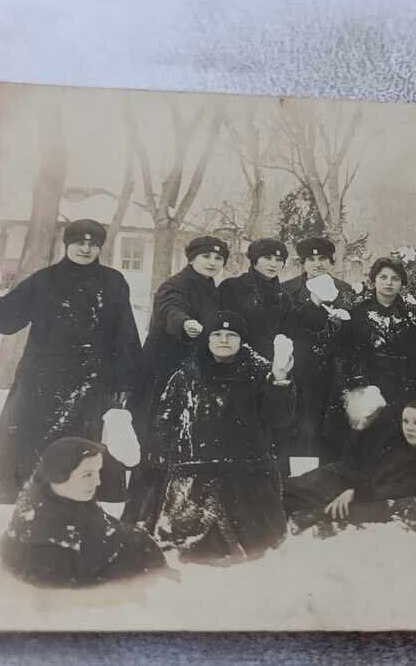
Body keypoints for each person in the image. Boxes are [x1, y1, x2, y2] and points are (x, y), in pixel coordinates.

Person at [0, 218, 139, 504]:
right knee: (35, 440)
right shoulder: (44, 280)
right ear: (67, 244)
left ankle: (83, 496)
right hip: (44, 378)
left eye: (93, 244)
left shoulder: (113, 282)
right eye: (79, 243)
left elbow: (125, 333)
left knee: (85, 441)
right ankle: (32, 494)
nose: (86, 249)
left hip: (93, 378)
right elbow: (8, 318)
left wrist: (124, 378)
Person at [140, 311, 296, 564]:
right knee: (188, 551)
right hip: (195, 477)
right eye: (217, 334)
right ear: (208, 339)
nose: (224, 340)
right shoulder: (186, 374)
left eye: (231, 335)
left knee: (260, 550)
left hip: (248, 476)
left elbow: (280, 420)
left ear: (242, 340)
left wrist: (280, 380)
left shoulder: (261, 372)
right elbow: (164, 423)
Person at [124, 234, 228, 523]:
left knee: (185, 443)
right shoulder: (175, 285)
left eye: (218, 258)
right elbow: (170, 309)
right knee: (156, 446)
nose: (212, 262)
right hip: (160, 379)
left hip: (191, 377)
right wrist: (185, 323)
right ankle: (139, 516)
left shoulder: (212, 289)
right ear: (192, 258)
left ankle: (176, 513)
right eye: (206, 256)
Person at [0, 437, 168, 587]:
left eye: (97, 472)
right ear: (58, 474)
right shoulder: (41, 538)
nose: (97, 482)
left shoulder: (71, 502)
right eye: (87, 475)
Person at [330, 257, 416, 470]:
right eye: (383, 277)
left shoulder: (411, 315)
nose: (389, 283)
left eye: (395, 278)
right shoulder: (358, 313)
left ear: (402, 284)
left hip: (403, 385)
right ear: (374, 280)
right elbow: (343, 354)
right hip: (368, 385)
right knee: (365, 441)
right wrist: (352, 386)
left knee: (397, 442)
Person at [283, 400, 416, 529]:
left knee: (289, 502)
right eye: (405, 421)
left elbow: (399, 489)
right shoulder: (397, 445)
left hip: (361, 495)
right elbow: (358, 461)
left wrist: (355, 493)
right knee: (291, 487)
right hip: (347, 480)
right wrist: (357, 432)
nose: (408, 427)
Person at [280, 236, 357, 465]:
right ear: (302, 263)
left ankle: (330, 481)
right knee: (304, 428)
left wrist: (342, 324)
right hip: (302, 371)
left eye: (322, 258)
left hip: (335, 372)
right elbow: (286, 329)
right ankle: (301, 485)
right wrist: (312, 305)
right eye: (310, 259)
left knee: (334, 428)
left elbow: (354, 334)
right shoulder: (288, 290)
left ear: (332, 262)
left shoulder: (345, 290)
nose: (317, 264)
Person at [218, 237, 325, 361]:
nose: (273, 264)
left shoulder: (283, 296)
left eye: (279, 260)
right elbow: (229, 327)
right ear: (254, 260)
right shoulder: (232, 287)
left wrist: (314, 304)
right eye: (267, 258)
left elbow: (293, 329)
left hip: (276, 361)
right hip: (239, 358)